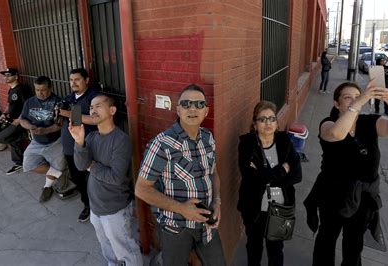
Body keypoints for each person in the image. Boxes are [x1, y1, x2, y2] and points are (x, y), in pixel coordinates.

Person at [304, 82, 388, 266]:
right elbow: (337, 134)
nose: (355, 99)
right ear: (337, 104)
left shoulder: (370, 123)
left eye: (357, 95)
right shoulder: (328, 123)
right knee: (327, 238)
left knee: (353, 244)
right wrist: (358, 103)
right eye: (347, 97)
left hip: (363, 197)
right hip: (332, 194)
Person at [135, 84, 226, 265]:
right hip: (175, 228)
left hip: (206, 223)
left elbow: (213, 173)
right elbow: (141, 189)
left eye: (199, 104)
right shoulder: (162, 144)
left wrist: (217, 202)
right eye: (186, 104)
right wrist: (182, 208)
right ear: (178, 109)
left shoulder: (208, 138)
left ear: (206, 111)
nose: (192, 108)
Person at [69, 93, 142, 265]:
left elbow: (116, 178)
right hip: (95, 207)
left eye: (98, 106)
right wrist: (79, 142)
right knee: (106, 246)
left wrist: (92, 166)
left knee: (126, 250)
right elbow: (80, 166)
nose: (92, 110)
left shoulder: (121, 140)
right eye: (91, 107)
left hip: (114, 209)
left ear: (112, 110)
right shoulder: (90, 137)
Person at [237, 101, 302, 266]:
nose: (268, 123)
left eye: (272, 119)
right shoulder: (247, 144)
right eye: (262, 119)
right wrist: (282, 170)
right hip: (253, 207)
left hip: (281, 206)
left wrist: (266, 176)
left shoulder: (284, 141)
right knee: (254, 247)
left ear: (276, 122)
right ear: (254, 123)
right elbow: (250, 176)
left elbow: (297, 175)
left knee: (276, 250)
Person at [19, 76, 67, 203]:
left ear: (50, 88)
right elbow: (22, 119)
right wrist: (29, 126)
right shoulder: (29, 102)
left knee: (57, 165)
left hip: (55, 141)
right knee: (28, 164)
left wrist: (44, 130)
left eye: (43, 90)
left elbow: (60, 124)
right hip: (36, 141)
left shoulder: (58, 102)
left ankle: (48, 186)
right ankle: (60, 175)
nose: (40, 93)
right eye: (37, 90)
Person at [59, 68, 98, 222]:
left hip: (88, 146)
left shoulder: (93, 97)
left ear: (86, 80)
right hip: (70, 147)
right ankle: (87, 205)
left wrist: (67, 113)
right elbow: (68, 119)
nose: (73, 83)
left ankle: (95, 207)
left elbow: (95, 119)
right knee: (77, 178)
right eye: (71, 80)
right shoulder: (69, 98)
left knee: (92, 178)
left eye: (77, 79)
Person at [0, 68, 33, 175]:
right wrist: (4, 114)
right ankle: (19, 162)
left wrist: (19, 119)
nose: (6, 77)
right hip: (11, 120)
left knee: (0, 138)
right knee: (12, 139)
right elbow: (9, 105)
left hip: (21, 121)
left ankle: (22, 136)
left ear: (16, 76)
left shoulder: (22, 89)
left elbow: (28, 105)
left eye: (9, 75)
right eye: (5, 75)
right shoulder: (11, 89)